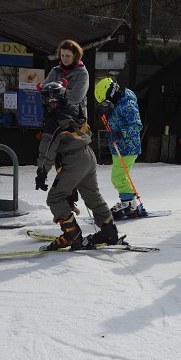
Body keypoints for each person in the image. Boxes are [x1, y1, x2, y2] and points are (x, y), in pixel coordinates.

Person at [35, 81, 118, 250]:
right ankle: (110, 233)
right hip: (88, 155)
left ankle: (72, 235)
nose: (52, 105)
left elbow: (47, 149)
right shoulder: (76, 110)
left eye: (54, 102)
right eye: (49, 102)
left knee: (55, 198)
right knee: (92, 196)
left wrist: (42, 172)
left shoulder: (53, 121)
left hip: (74, 161)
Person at [94, 77, 146, 219]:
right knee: (120, 177)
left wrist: (119, 134)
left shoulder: (128, 104)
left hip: (128, 147)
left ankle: (130, 204)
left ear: (110, 93)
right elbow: (117, 120)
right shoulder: (119, 103)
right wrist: (106, 113)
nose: (108, 103)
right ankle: (128, 202)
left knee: (118, 177)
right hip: (120, 147)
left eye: (107, 100)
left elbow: (136, 125)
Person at [44, 39, 89, 121]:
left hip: (75, 118)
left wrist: (55, 92)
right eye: (62, 55)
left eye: (68, 56)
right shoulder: (55, 71)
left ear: (75, 55)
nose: (64, 59)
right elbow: (44, 90)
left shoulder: (82, 73)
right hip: (54, 115)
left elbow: (76, 97)